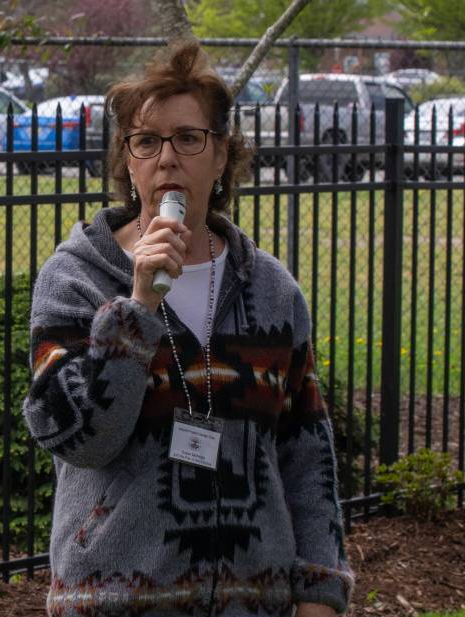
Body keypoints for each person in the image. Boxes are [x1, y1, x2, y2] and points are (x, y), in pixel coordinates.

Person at [23, 43, 352, 617]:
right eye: (145, 142)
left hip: (255, 604)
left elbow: (306, 454)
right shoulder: (75, 280)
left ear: (222, 156)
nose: (166, 159)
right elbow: (79, 440)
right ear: (127, 162)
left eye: (188, 139)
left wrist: (320, 593)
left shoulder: (272, 291)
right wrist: (138, 306)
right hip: (113, 602)